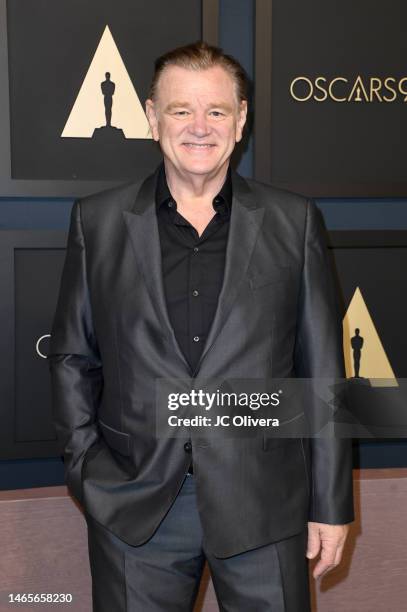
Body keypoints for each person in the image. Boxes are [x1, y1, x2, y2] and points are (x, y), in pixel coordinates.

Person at [48, 41, 354, 611]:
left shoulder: (294, 221)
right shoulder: (98, 221)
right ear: (150, 117)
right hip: (134, 507)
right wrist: (87, 468)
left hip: (264, 507)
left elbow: (322, 374)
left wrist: (330, 505)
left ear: (241, 121)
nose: (199, 127)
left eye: (216, 111)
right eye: (180, 110)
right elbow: (73, 356)